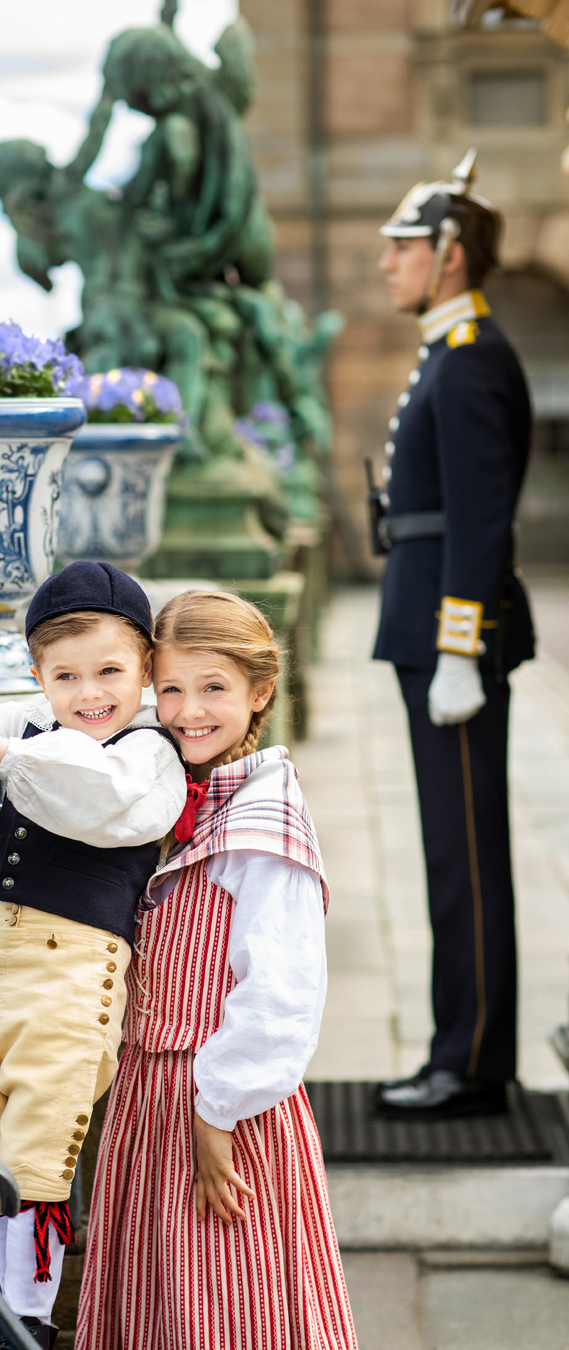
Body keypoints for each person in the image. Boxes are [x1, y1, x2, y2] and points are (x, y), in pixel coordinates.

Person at [0, 561, 187, 1350]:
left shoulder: (146, 751)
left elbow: (103, 799)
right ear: (37, 675)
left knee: (41, 1149)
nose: (91, 693)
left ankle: (24, 1316)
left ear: (147, 669)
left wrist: (0, 749)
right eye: (67, 675)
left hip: (73, 968)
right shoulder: (37, 723)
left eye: (111, 672)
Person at [76, 589, 357, 1350]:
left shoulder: (263, 827)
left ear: (260, 693)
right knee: (160, 1293)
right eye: (168, 688)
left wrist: (215, 1114)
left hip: (218, 1105)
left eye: (213, 689)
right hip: (154, 1093)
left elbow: (281, 993)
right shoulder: (187, 796)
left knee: (228, 1300)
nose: (186, 711)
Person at [371, 151, 535, 1120]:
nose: (387, 263)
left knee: (463, 856)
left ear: (449, 252)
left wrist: (463, 647)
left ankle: (469, 1065)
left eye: (403, 248)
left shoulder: (472, 356)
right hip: (429, 626)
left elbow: (482, 518)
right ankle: (464, 1052)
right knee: (449, 851)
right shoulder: (447, 348)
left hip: (449, 637)